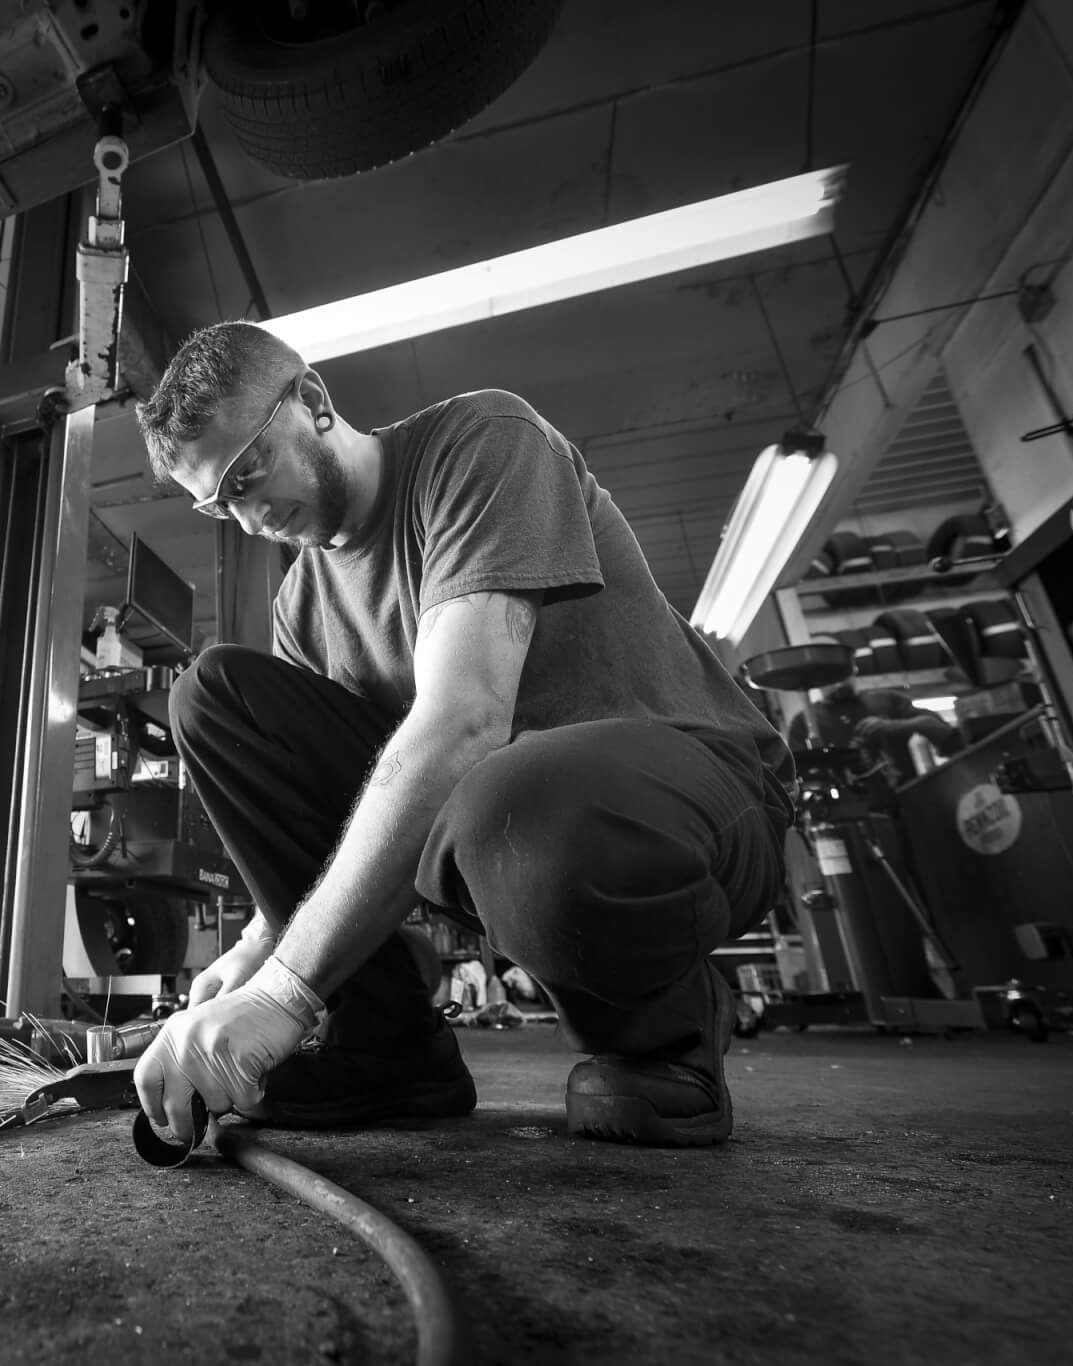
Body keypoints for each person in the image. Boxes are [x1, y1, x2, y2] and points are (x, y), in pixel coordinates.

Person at [130, 321, 794, 1148]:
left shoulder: (480, 442)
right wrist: (256, 955)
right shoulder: (303, 605)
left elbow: (465, 721)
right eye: (219, 502)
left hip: (692, 798)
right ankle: (388, 1050)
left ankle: (664, 1040)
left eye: (248, 472)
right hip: (497, 836)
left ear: (313, 402)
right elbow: (351, 820)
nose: (250, 516)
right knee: (214, 695)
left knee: (510, 795)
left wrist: (285, 992)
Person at [788, 679, 962, 785]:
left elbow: (945, 733)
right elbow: (796, 776)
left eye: (841, 672)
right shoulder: (805, 722)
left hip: (914, 795)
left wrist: (893, 726)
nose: (838, 682)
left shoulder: (886, 700)